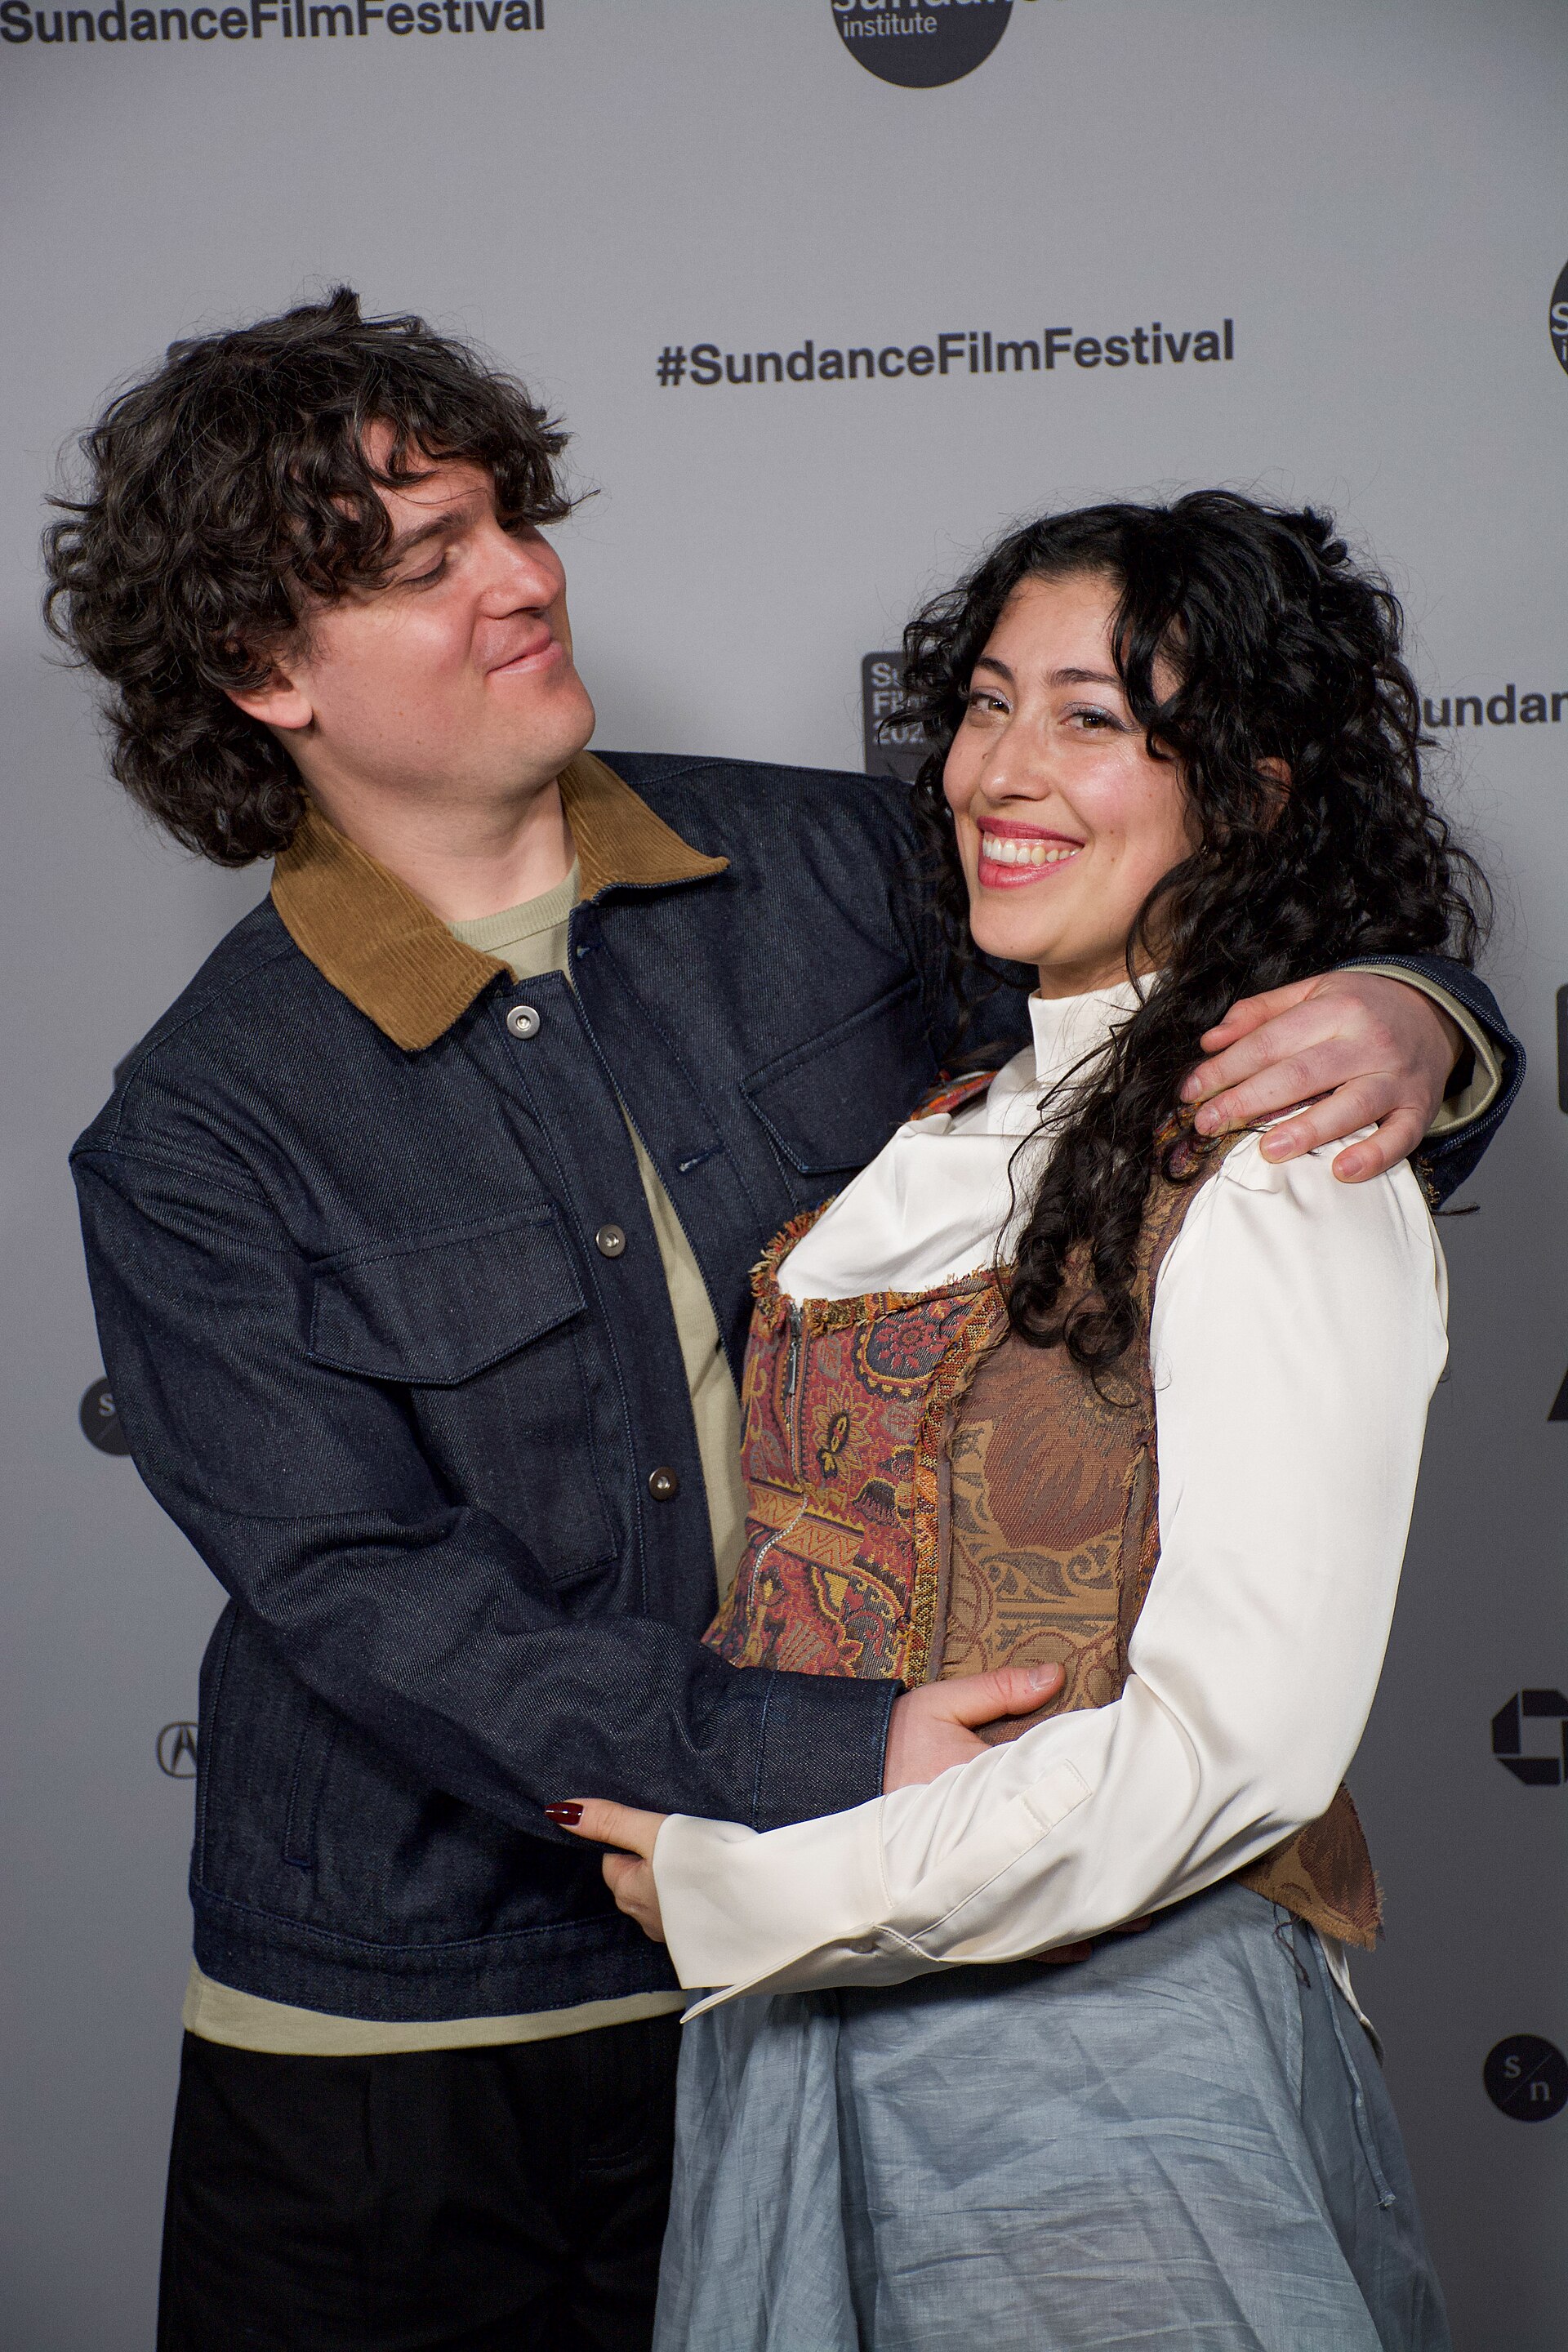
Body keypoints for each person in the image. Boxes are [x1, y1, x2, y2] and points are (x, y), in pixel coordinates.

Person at [47, 291, 1512, 2350]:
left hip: (869, 1947)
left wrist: (1416, 1017)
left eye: (507, 519)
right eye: (425, 560)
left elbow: (1174, 993)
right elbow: (369, 1595)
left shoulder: (843, 864)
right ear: (261, 669)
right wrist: (822, 1763)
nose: (523, 578)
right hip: (415, 2035)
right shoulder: (195, 1134)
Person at [561, 494, 1487, 2352]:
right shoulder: (946, 1119)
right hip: (801, 2035)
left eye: (1092, 716)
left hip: (1113, 2063)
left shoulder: (1289, 1156)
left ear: (1246, 788)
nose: (1007, 764)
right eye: (987, 702)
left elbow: (1239, 1750)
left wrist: (753, 1883)